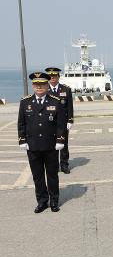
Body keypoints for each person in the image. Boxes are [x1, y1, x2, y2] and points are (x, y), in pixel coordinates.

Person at [18, 72, 66, 213]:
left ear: (47, 86)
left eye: (42, 84)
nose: (39, 87)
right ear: (33, 86)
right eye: (36, 84)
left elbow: (60, 124)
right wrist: (22, 139)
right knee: (37, 176)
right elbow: (21, 123)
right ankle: (42, 201)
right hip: (32, 146)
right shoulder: (25, 102)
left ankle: (54, 201)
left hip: (51, 145)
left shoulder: (55, 101)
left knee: (52, 175)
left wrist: (60, 140)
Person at [45, 67, 74, 174]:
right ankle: (54, 165)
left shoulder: (66, 89)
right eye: (50, 76)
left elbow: (70, 106)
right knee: (51, 145)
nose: (52, 78)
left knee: (64, 144)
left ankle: (64, 164)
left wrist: (70, 120)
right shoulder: (45, 90)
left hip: (62, 122)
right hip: (48, 122)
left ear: (58, 77)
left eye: (55, 76)